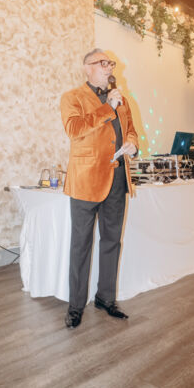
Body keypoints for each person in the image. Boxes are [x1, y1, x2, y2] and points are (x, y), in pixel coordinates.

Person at [60, 48, 139, 329]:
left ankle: (106, 298)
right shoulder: (73, 97)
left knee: (111, 241)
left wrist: (133, 145)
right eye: (102, 63)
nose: (109, 68)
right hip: (85, 181)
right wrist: (108, 108)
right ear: (87, 67)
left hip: (117, 179)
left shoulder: (122, 100)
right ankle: (75, 306)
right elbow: (74, 129)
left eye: (110, 63)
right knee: (81, 245)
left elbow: (131, 131)